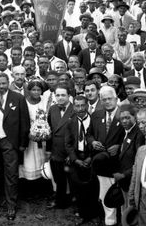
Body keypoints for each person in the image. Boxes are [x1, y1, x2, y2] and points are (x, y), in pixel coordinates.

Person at [0, 72, 30, 220]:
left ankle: (11, 205)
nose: (1, 86)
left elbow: (25, 122)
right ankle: (2, 197)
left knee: (11, 174)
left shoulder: (18, 98)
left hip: (10, 141)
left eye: (3, 83)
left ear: (8, 82)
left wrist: (23, 144)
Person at [87, 86, 125, 226]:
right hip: (101, 161)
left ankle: (122, 219)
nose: (107, 102)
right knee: (104, 192)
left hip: (119, 161)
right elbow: (89, 134)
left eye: (110, 99)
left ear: (116, 99)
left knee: (119, 193)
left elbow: (133, 137)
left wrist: (120, 146)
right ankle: (110, 221)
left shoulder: (124, 114)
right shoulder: (97, 114)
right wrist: (93, 142)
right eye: (104, 100)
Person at [65, 95, 100, 225]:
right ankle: (82, 213)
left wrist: (91, 157)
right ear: (73, 106)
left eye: (82, 105)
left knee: (92, 187)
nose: (80, 108)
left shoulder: (94, 120)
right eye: (77, 105)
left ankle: (93, 214)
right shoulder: (70, 121)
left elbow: (98, 139)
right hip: (77, 156)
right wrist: (74, 159)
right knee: (78, 187)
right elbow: (68, 143)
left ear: (87, 105)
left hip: (90, 156)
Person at [46, 83, 74, 209]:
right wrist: (48, 150)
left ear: (69, 96)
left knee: (71, 178)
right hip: (55, 150)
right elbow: (49, 131)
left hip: (69, 151)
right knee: (58, 178)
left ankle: (72, 201)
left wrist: (72, 154)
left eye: (63, 95)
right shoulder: (52, 109)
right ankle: (60, 200)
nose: (60, 98)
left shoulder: (75, 109)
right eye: (57, 95)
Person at [115, 104, 145, 208]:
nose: (124, 121)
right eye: (122, 118)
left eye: (127, 118)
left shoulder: (138, 134)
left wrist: (124, 175)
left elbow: (139, 161)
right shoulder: (123, 132)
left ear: (135, 117)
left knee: (131, 210)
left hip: (131, 180)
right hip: (124, 180)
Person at [20, 79, 47, 180]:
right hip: (30, 136)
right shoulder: (24, 101)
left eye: (38, 90)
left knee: (42, 158)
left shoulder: (45, 100)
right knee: (30, 159)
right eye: (33, 90)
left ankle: (43, 177)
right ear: (29, 90)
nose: (36, 92)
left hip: (43, 135)